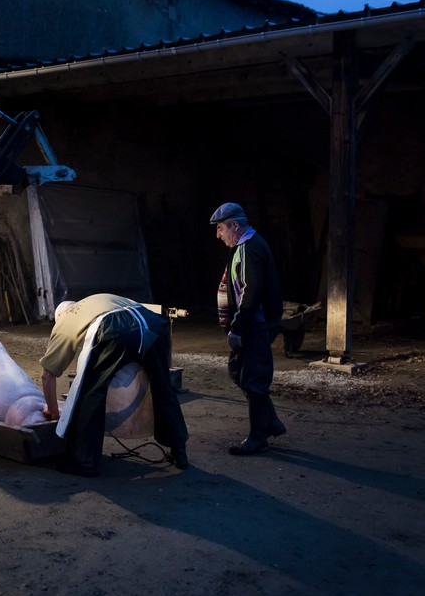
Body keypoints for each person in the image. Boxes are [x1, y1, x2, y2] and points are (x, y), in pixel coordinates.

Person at [39, 294, 189, 477]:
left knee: (89, 393)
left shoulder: (67, 319)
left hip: (115, 327)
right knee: (163, 388)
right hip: (152, 323)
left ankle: (84, 461)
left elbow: (47, 375)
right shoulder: (95, 300)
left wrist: (53, 412)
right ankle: (179, 452)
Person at [210, 202, 286, 455]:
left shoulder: (250, 249)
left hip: (254, 326)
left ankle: (258, 437)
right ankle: (271, 422)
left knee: (253, 381)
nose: (218, 235)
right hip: (252, 325)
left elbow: (250, 293)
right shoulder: (242, 246)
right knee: (238, 373)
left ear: (234, 225)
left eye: (220, 229)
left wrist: (238, 328)